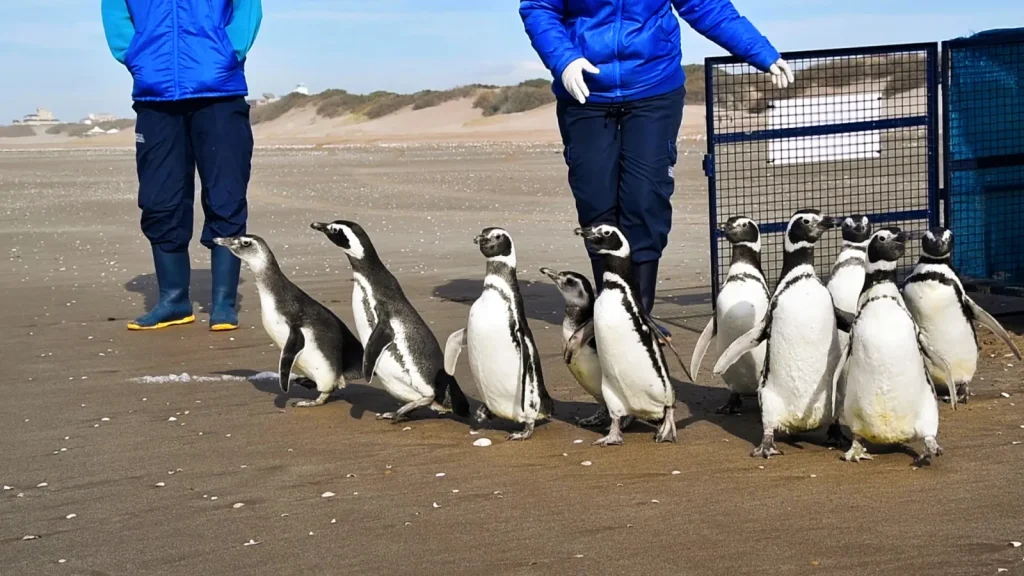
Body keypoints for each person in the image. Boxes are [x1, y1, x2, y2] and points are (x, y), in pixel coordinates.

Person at [520, 0, 792, 340]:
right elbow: (539, 8)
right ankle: (609, 311)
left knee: (645, 199)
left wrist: (760, 52)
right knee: (595, 201)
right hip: (585, 92)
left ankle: (640, 312)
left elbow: (706, 6)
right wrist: (565, 59)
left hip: (653, 88)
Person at [101, 0, 263, 331]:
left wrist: (227, 52)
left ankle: (223, 304)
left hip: (219, 92)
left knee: (226, 195)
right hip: (155, 97)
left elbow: (248, 8)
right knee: (160, 199)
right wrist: (134, 54)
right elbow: (115, 12)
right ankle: (173, 301)